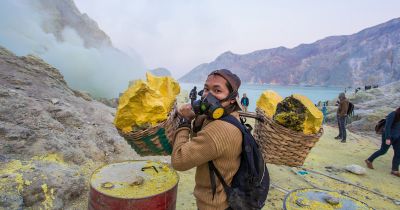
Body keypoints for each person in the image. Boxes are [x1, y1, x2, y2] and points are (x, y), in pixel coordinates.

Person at [171, 69, 243, 210]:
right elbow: (202, 145)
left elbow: (179, 161)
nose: (207, 95)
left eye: (217, 91)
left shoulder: (219, 130)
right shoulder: (232, 116)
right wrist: (199, 120)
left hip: (213, 205)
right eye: (206, 89)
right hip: (225, 199)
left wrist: (185, 121)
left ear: (232, 98)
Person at [365, 107, 400, 177]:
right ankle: (369, 160)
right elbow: (387, 126)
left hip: (398, 138)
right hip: (388, 136)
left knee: (398, 153)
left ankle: (395, 170)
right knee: (383, 151)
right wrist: (387, 138)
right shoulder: (393, 114)